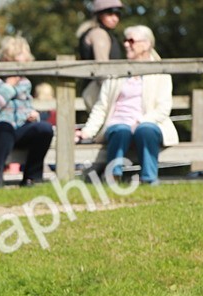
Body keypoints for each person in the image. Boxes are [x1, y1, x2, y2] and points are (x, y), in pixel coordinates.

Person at [76, 25, 177, 185]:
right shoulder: (116, 72)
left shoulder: (160, 73)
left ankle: (149, 179)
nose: (125, 44)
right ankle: (113, 178)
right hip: (117, 124)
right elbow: (101, 107)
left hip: (147, 124)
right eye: (125, 40)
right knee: (120, 129)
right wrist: (87, 132)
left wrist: (141, 121)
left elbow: (163, 109)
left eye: (131, 41)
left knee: (146, 130)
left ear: (146, 44)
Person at [0, 36, 53, 187]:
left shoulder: (24, 81)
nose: (22, 70)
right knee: (3, 128)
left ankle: (31, 179)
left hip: (14, 129)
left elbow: (24, 107)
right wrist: (8, 87)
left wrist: (31, 115)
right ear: (6, 60)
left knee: (43, 129)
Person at [75, 0, 125, 108]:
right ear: (99, 15)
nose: (115, 18)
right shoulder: (99, 34)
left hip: (101, 90)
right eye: (110, 14)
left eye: (117, 14)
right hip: (99, 91)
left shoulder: (101, 33)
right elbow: (103, 70)